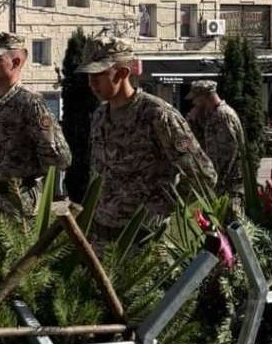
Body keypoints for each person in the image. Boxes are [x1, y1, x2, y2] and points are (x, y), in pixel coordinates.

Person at [79, 36, 216, 245]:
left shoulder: (157, 115)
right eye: (89, 75)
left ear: (123, 73)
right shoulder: (100, 116)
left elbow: (204, 175)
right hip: (102, 237)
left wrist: (164, 208)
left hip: (144, 241)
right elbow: (98, 174)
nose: (91, 83)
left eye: (99, 74)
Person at [0, 32, 72, 219]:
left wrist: (28, 175)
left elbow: (61, 159)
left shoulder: (30, 104)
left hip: (19, 205)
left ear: (15, 62)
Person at [185, 79, 245, 209]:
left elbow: (228, 152)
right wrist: (192, 122)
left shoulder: (222, 116)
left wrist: (218, 180)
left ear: (204, 97)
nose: (194, 103)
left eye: (196, 99)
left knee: (232, 224)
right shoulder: (214, 116)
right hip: (223, 183)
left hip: (229, 184)